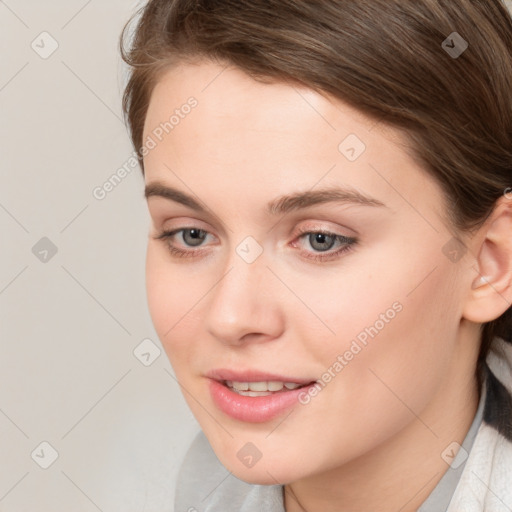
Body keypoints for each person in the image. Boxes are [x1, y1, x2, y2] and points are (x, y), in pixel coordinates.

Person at [119, 1, 512, 510]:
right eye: (191, 235)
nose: (230, 317)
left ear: (490, 262)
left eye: (320, 239)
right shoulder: (207, 482)